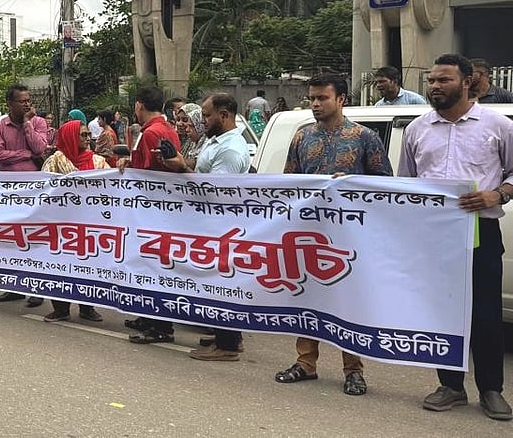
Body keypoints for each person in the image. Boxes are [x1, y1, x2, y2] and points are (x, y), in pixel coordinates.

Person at [399, 54, 513, 420]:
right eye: (432, 80)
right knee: (443, 311)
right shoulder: (416, 129)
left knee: (486, 313)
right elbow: (407, 184)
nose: (435, 86)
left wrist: (498, 194)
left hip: (481, 232)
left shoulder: (498, 125)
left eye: (444, 80)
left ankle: (492, 390)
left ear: (466, 82)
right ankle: (450, 385)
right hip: (434, 236)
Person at [273, 74, 391, 397]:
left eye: (322, 98)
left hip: (349, 237)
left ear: (341, 99)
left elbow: (384, 183)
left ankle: (353, 370)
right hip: (310, 234)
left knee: (348, 302)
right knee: (306, 296)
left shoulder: (364, 137)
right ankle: (305, 363)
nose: (315, 104)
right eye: (312, 98)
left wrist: (351, 184)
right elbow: (289, 182)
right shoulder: (302, 137)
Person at [160, 93, 252, 361]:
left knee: (222, 283)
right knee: (215, 281)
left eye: (207, 115)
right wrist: (179, 161)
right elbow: (203, 170)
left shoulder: (231, 149)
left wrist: (182, 169)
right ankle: (226, 336)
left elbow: (216, 192)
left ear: (224, 115)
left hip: (221, 226)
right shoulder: (216, 141)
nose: (203, 120)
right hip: (209, 224)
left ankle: (228, 345)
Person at [115, 86, 183, 343]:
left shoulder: (151, 132)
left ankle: (161, 326)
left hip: (152, 211)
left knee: (153, 266)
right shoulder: (165, 129)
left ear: (139, 105)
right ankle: (148, 316)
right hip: (161, 209)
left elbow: (148, 172)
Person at [41, 119, 108, 323]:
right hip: (61, 224)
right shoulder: (55, 161)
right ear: (70, 136)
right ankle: (61, 308)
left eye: (89, 134)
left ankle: (87, 307)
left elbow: (110, 187)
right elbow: (43, 189)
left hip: (90, 224)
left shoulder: (98, 161)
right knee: (59, 267)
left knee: (88, 268)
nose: (88, 138)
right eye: (83, 135)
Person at [0, 84, 50, 307]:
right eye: (21, 101)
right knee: (11, 239)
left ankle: (36, 288)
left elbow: (40, 148)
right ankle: (13, 287)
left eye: (28, 100)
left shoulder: (38, 123)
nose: (27, 104)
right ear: (10, 104)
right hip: (8, 192)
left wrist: (26, 124)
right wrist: (25, 154)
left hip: (34, 192)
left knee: (34, 239)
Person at [175, 102, 205, 170]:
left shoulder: (205, 143)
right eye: (178, 119)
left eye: (185, 120)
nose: (179, 123)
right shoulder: (182, 139)